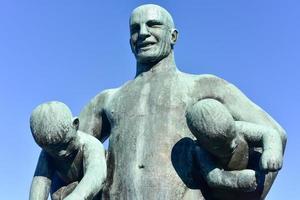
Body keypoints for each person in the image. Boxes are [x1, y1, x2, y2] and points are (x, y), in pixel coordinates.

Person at [79, 4, 286, 200]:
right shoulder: (107, 99)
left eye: (153, 24)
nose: (142, 33)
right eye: (135, 28)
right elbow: (65, 152)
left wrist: (245, 194)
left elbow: (275, 134)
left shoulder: (205, 86)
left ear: (173, 36)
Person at [186, 98, 283, 199]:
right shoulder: (201, 151)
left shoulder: (239, 128)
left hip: (252, 169)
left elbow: (269, 133)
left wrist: (271, 151)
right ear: (204, 144)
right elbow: (213, 177)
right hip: (228, 189)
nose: (233, 144)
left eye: (233, 136)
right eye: (221, 145)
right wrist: (237, 180)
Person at [29, 101, 106, 200]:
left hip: (88, 192)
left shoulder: (90, 144)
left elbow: (96, 174)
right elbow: (39, 182)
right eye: (53, 151)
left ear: (75, 125)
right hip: (62, 191)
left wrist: (76, 196)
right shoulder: (46, 155)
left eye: (65, 145)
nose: (61, 153)